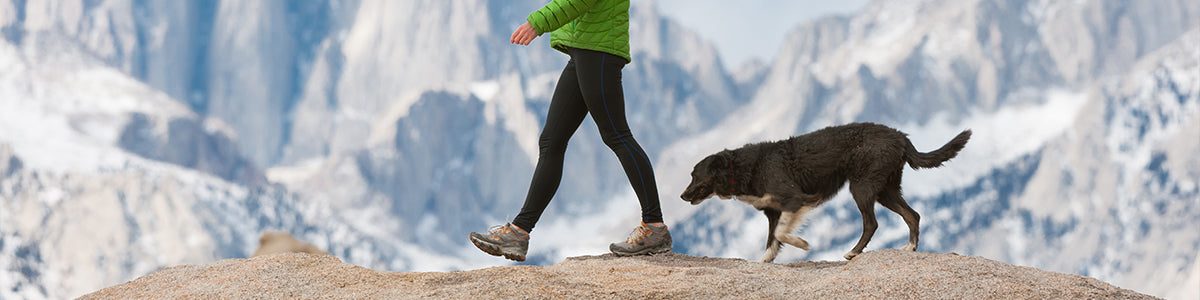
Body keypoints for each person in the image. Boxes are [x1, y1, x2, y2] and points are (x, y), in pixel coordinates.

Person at [469, 0, 671, 262]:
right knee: (551, 141)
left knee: (616, 135)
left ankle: (654, 227)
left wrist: (537, 23)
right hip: (584, 48)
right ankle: (518, 233)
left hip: (598, 49)